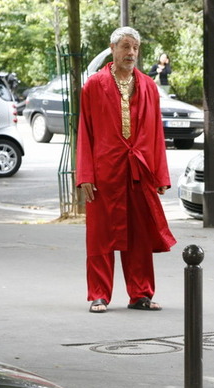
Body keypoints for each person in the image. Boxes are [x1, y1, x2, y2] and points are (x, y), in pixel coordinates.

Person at [77, 27, 176, 313]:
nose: (130, 52)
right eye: (125, 46)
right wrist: (85, 174)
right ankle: (98, 294)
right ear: (112, 48)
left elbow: (156, 133)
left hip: (140, 171)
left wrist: (160, 175)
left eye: (134, 47)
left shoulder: (148, 85)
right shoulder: (94, 85)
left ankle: (140, 294)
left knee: (140, 235)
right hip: (103, 171)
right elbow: (85, 131)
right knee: (100, 235)